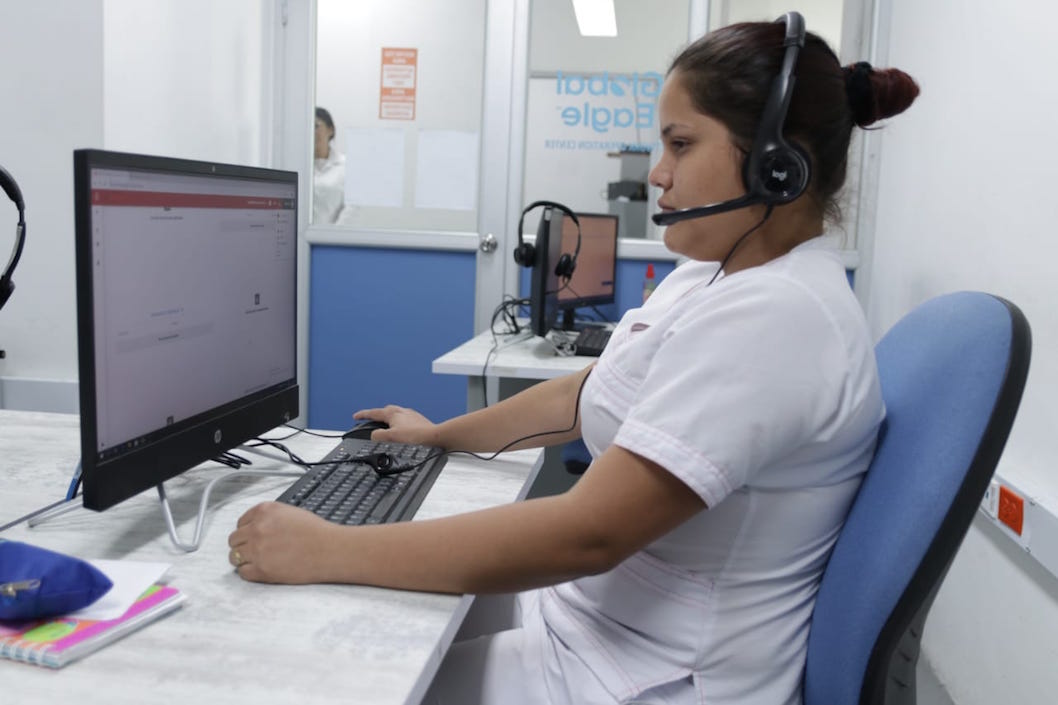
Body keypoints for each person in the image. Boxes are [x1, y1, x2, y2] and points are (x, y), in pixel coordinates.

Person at [228, 15, 919, 705]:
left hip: (654, 676)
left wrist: (325, 548)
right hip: (594, 626)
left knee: (321, 673)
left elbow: (588, 532)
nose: (658, 171)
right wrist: (434, 435)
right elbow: (578, 398)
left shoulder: (781, 316)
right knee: (362, 622)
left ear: (779, 165)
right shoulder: (715, 274)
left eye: (681, 143)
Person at [313, 106, 346, 224]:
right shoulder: (296, 165)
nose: (311, 132)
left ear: (330, 130)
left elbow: (351, 210)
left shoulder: (345, 167)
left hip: (331, 238)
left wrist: (332, 236)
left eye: (316, 126)